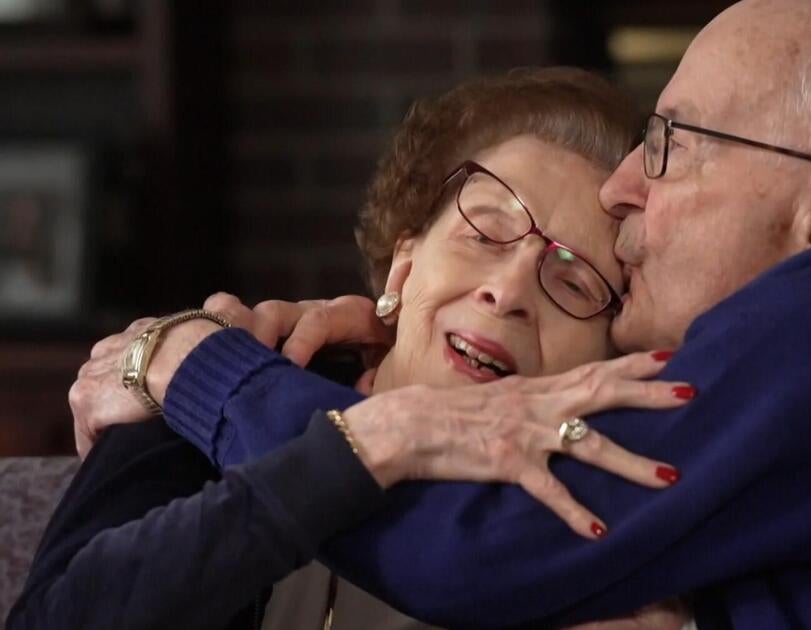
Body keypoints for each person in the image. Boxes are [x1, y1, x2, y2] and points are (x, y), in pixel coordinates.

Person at [40, 0, 811, 628]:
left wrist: (190, 360)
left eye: (673, 146)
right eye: (484, 230)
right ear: (401, 259)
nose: (627, 192)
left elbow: (486, 543)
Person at [9, 68, 694, 630]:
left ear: (603, 358)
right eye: (484, 234)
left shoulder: (605, 543)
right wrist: (366, 447)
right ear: (402, 269)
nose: (509, 290)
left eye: (573, 281)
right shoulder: (195, 401)